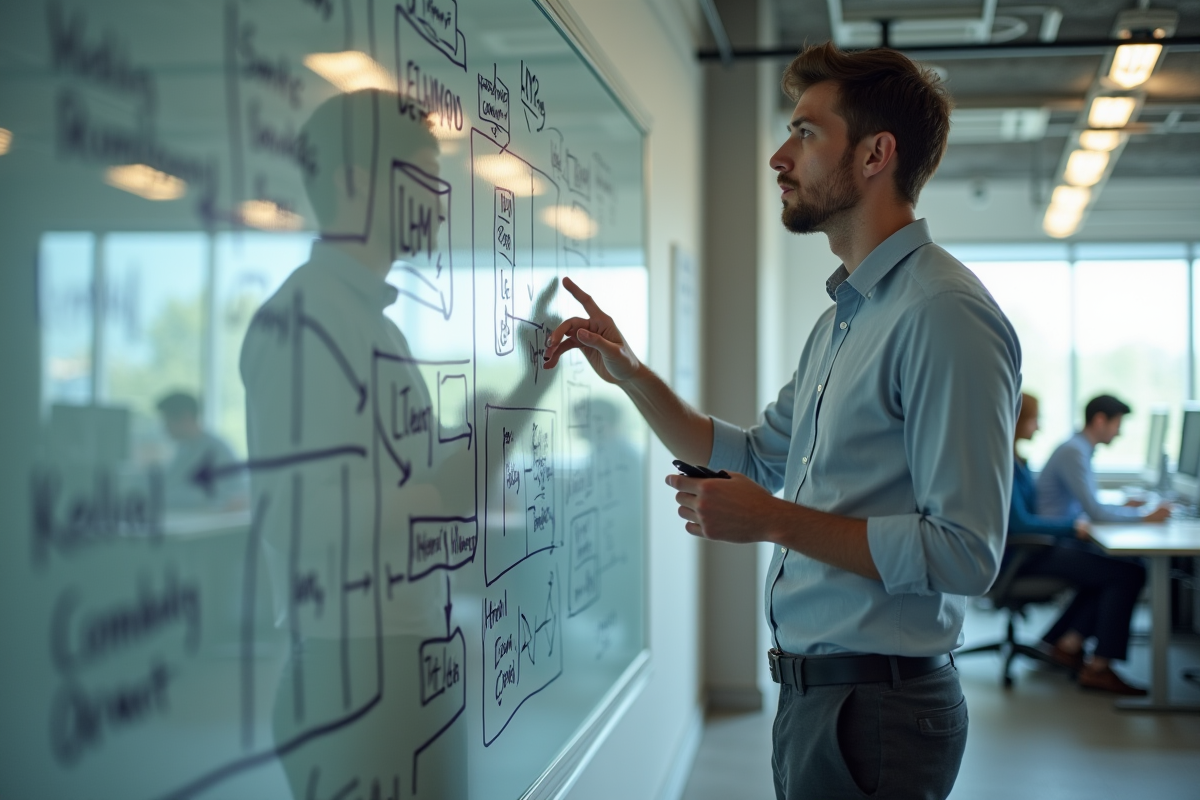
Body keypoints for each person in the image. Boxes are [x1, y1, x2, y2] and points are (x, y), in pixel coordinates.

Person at [543, 43, 1020, 800]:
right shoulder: (847, 320)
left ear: (874, 155)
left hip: (879, 710)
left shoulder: (943, 315)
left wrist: (772, 521)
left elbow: (965, 554)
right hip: (818, 697)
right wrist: (632, 375)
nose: (777, 155)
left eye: (804, 133)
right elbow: (759, 454)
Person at [1008, 392, 1148, 695]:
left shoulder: (1017, 460)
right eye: (1034, 419)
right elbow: (1019, 523)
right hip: (1026, 553)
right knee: (1127, 573)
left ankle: (1066, 643)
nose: (1039, 427)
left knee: (1117, 567)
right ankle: (1098, 667)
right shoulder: (1005, 463)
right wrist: (1072, 527)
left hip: (1037, 546)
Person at [1037, 394, 1172, 523]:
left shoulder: (1078, 447)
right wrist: (1145, 517)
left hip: (1067, 529)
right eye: (1117, 425)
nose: (1119, 433)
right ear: (1100, 420)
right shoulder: (1074, 452)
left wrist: (1122, 508)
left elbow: (1094, 506)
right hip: (1058, 538)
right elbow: (1096, 512)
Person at [156, 390, 247, 512]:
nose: (165, 427)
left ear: (185, 417)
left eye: (167, 420)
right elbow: (168, 488)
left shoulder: (215, 450)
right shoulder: (184, 449)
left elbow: (217, 496)